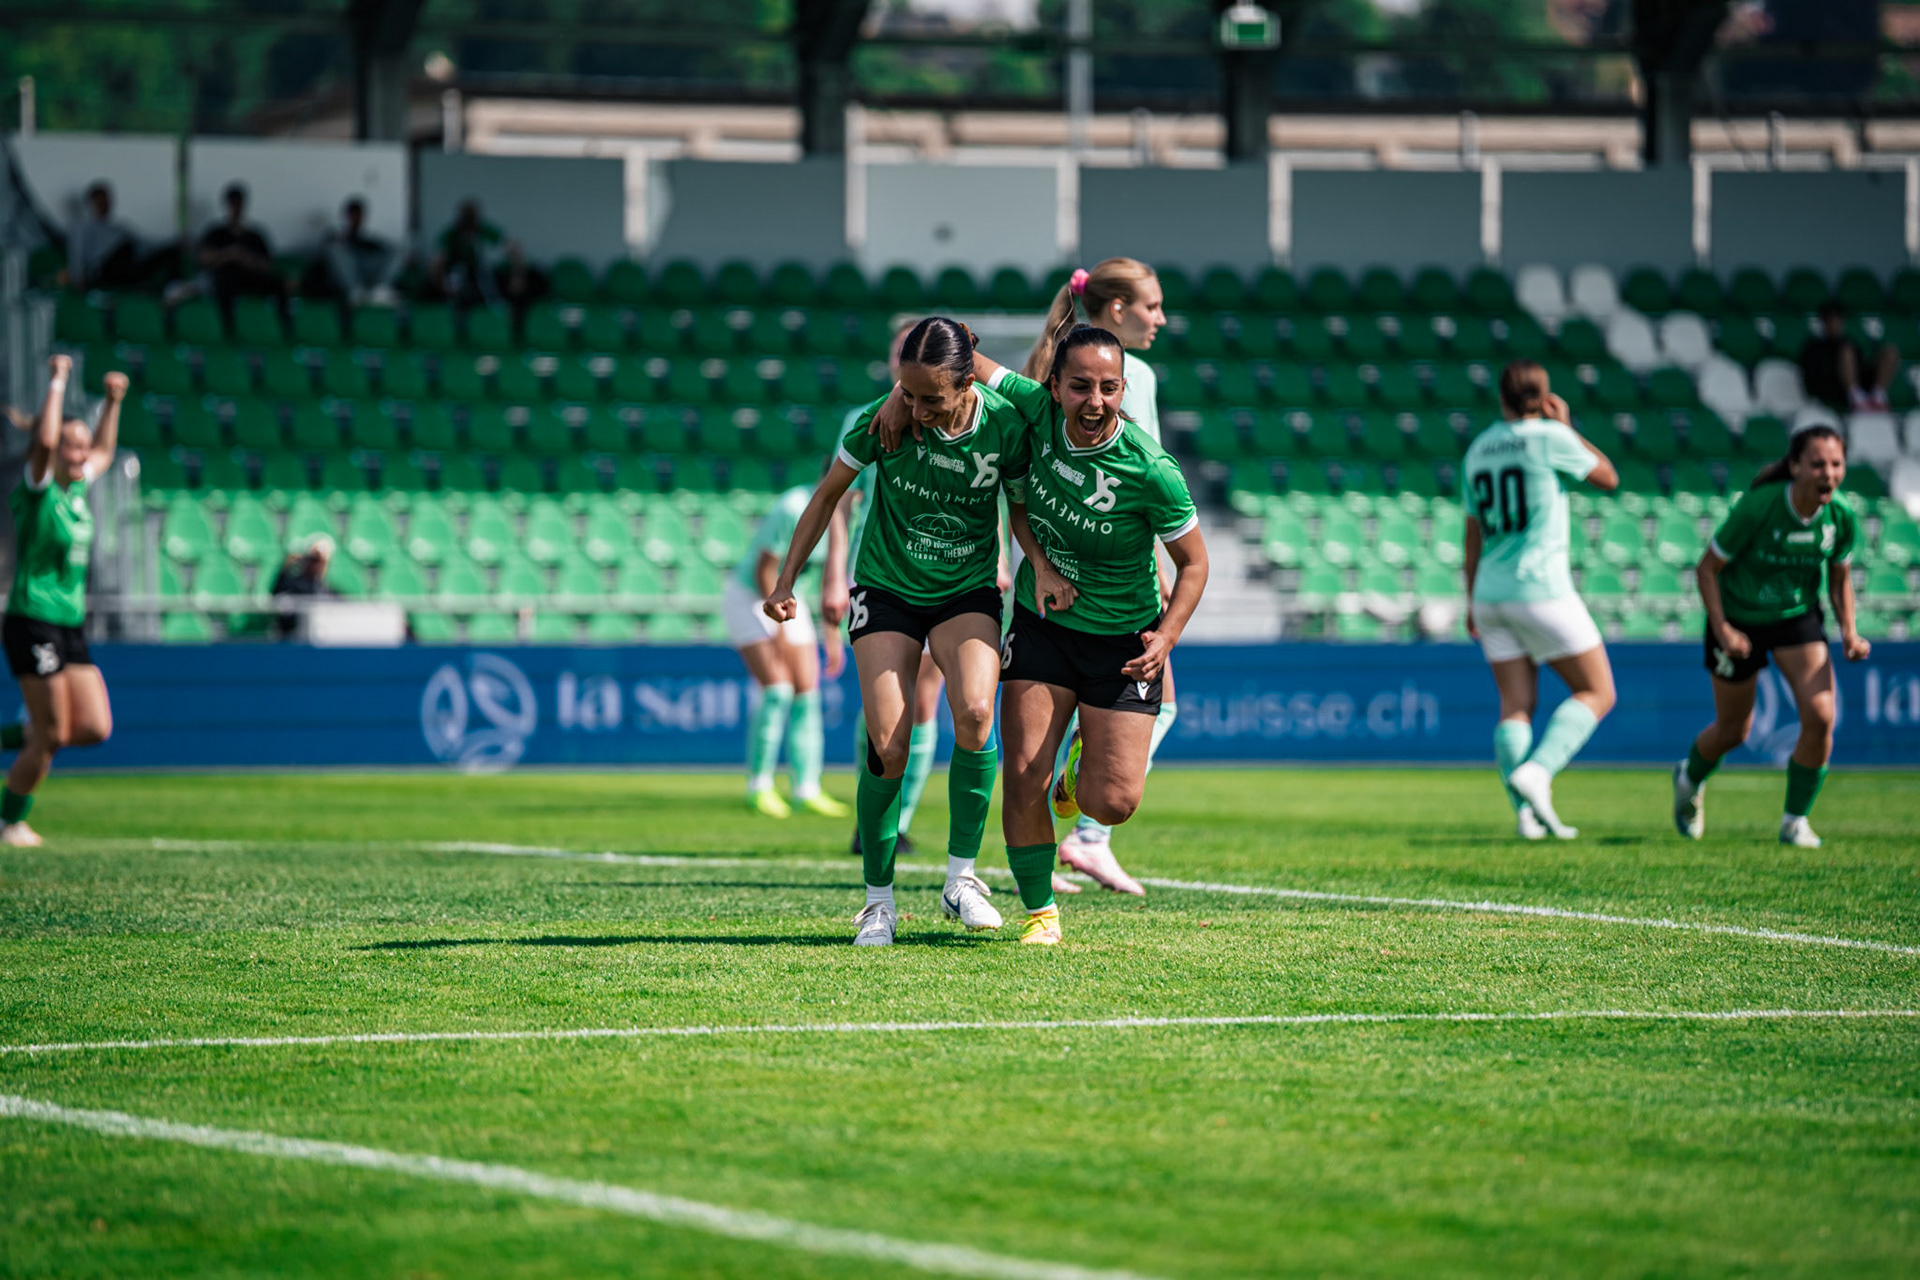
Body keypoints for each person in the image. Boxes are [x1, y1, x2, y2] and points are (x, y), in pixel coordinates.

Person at [766, 317, 1028, 946]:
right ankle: (878, 902)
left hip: (964, 588)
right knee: (888, 741)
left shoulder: (1005, 424)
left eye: (931, 397)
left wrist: (1038, 569)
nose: (917, 408)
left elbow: (1017, 509)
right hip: (885, 588)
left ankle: (960, 878)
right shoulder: (883, 423)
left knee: (974, 713)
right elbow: (829, 496)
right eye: (906, 393)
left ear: (968, 383)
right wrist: (786, 582)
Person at [985, 325, 1209, 946]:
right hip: (1043, 626)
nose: (1095, 400)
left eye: (1110, 388)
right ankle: (1040, 914)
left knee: (1112, 804)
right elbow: (963, 361)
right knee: (1024, 772)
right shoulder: (1034, 411)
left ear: (1124, 389)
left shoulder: (1151, 469)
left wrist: (1166, 637)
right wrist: (901, 393)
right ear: (1053, 387)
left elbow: (1195, 563)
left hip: (1123, 642)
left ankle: (1077, 774)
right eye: (1080, 386)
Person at [1021, 259, 1174, 896]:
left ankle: (1081, 820)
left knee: (1147, 705)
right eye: (1151, 307)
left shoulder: (1051, 372)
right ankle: (1088, 832)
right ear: (1115, 310)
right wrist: (1161, 573)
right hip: (1115, 583)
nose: (1160, 319)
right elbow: (1145, 483)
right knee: (1158, 703)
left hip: (1056, 572)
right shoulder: (1128, 375)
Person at [1672, 423, 1869, 847]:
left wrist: (1850, 633)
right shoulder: (1758, 507)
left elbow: (1839, 579)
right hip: (1739, 618)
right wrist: (1723, 629)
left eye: (1836, 464)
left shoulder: (1841, 516)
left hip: (1796, 617)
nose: (1828, 474)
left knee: (1820, 717)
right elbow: (1706, 569)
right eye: (1818, 464)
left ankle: (1794, 821)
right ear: (1795, 466)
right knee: (1733, 731)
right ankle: (1688, 778)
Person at [1463, 361, 1620, 839]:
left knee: (1515, 706)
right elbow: (1608, 477)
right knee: (1598, 692)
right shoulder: (1549, 437)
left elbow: (1471, 532)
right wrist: (1566, 427)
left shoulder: (1478, 449)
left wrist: (1470, 598)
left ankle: (1526, 816)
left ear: (1502, 396)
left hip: (1490, 590)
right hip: (1540, 588)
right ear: (1544, 395)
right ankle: (1540, 771)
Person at [0, 355, 123, 846]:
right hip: (32, 619)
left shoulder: (77, 491)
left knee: (93, 727)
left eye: (81, 445)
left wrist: (113, 403)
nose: (78, 453)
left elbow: (106, 453)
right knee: (49, 739)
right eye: (69, 446)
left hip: (69, 625)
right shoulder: (41, 490)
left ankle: (13, 736)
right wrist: (58, 379)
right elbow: (46, 442)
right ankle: (10, 821)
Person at [724, 475, 850, 819]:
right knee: (778, 687)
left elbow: (829, 579)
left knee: (807, 693)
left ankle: (806, 788)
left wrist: (832, 635)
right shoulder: (793, 508)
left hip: (795, 599)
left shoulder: (845, 517)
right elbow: (766, 569)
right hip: (753, 598)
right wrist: (779, 633)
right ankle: (759, 786)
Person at [193, 183, 285, 318]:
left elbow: (267, 264)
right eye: (233, 204)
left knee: (278, 284)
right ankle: (227, 325)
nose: (236, 208)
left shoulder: (255, 236)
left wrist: (246, 258)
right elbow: (203, 258)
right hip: (224, 276)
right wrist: (228, 254)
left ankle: (284, 327)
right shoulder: (216, 233)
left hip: (249, 275)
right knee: (223, 282)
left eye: (238, 204)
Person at [1799, 301, 1899, 414]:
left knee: (1890, 351)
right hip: (1833, 391)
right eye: (1831, 320)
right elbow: (1811, 377)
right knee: (1846, 351)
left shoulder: (1850, 342)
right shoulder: (1814, 346)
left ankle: (1877, 396)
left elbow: (1861, 368)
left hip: (1860, 386)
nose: (1836, 324)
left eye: (1838, 319)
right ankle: (1856, 399)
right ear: (1824, 322)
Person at [306, 198, 405, 305]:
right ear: (347, 216)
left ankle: (380, 289)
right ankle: (355, 291)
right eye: (354, 215)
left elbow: (385, 251)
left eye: (359, 215)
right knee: (334, 248)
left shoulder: (369, 241)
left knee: (399, 250)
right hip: (347, 275)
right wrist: (344, 240)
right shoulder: (334, 237)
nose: (357, 219)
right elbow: (325, 257)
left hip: (369, 273)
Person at [429, 200, 504, 308]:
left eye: (472, 216)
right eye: (466, 216)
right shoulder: (452, 233)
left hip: (478, 269)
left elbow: (502, 241)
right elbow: (439, 254)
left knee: (486, 282)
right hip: (457, 268)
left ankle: (493, 306)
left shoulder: (481, 229)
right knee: (455, 281)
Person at [270, 533, 337, 638]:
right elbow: (275, 597)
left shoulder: (329, 592)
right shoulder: (292, 585)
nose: (316, 565)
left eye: (321, 561)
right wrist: (285, 570)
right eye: (313, 559)